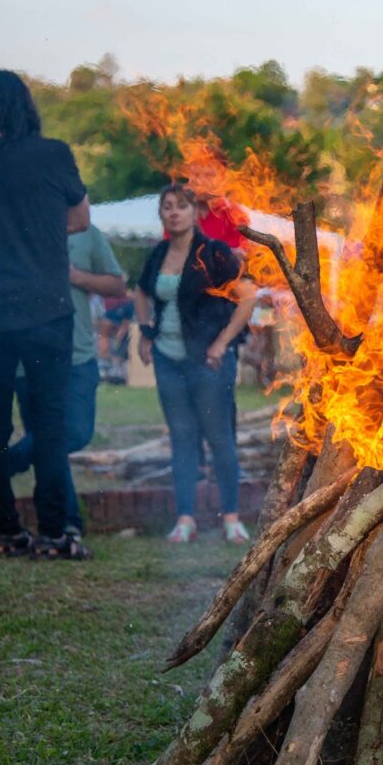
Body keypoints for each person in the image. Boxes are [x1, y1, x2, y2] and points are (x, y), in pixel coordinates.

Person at [0, 69, 92, 560]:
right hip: (49, 311)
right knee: (49, 424)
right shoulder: (53, 154)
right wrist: (41, 238)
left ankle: (7, 532)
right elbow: (80, 218)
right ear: (26, 107)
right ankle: (56, 534)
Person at [135, 184, 255, 543]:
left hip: (208, 360)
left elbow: (248, 297)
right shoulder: (158, 254)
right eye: (167, 207)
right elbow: (142, 292)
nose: (174, 212)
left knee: (220, 438)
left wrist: (221, 342)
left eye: (181, 206)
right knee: (183, 438)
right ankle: (185, 518)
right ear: (161, 215)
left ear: (194, 213)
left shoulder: (214, 253)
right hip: (168, 359)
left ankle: (231, 518)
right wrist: (145, 331)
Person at [9, 225, 126, 541]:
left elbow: (117, 285)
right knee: (52, 448)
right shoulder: (10, 227)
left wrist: (77, 277)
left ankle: (1, 466)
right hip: (25, 361)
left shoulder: (84, 231)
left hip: (78, 356)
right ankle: (67, 524)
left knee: (72, 433)